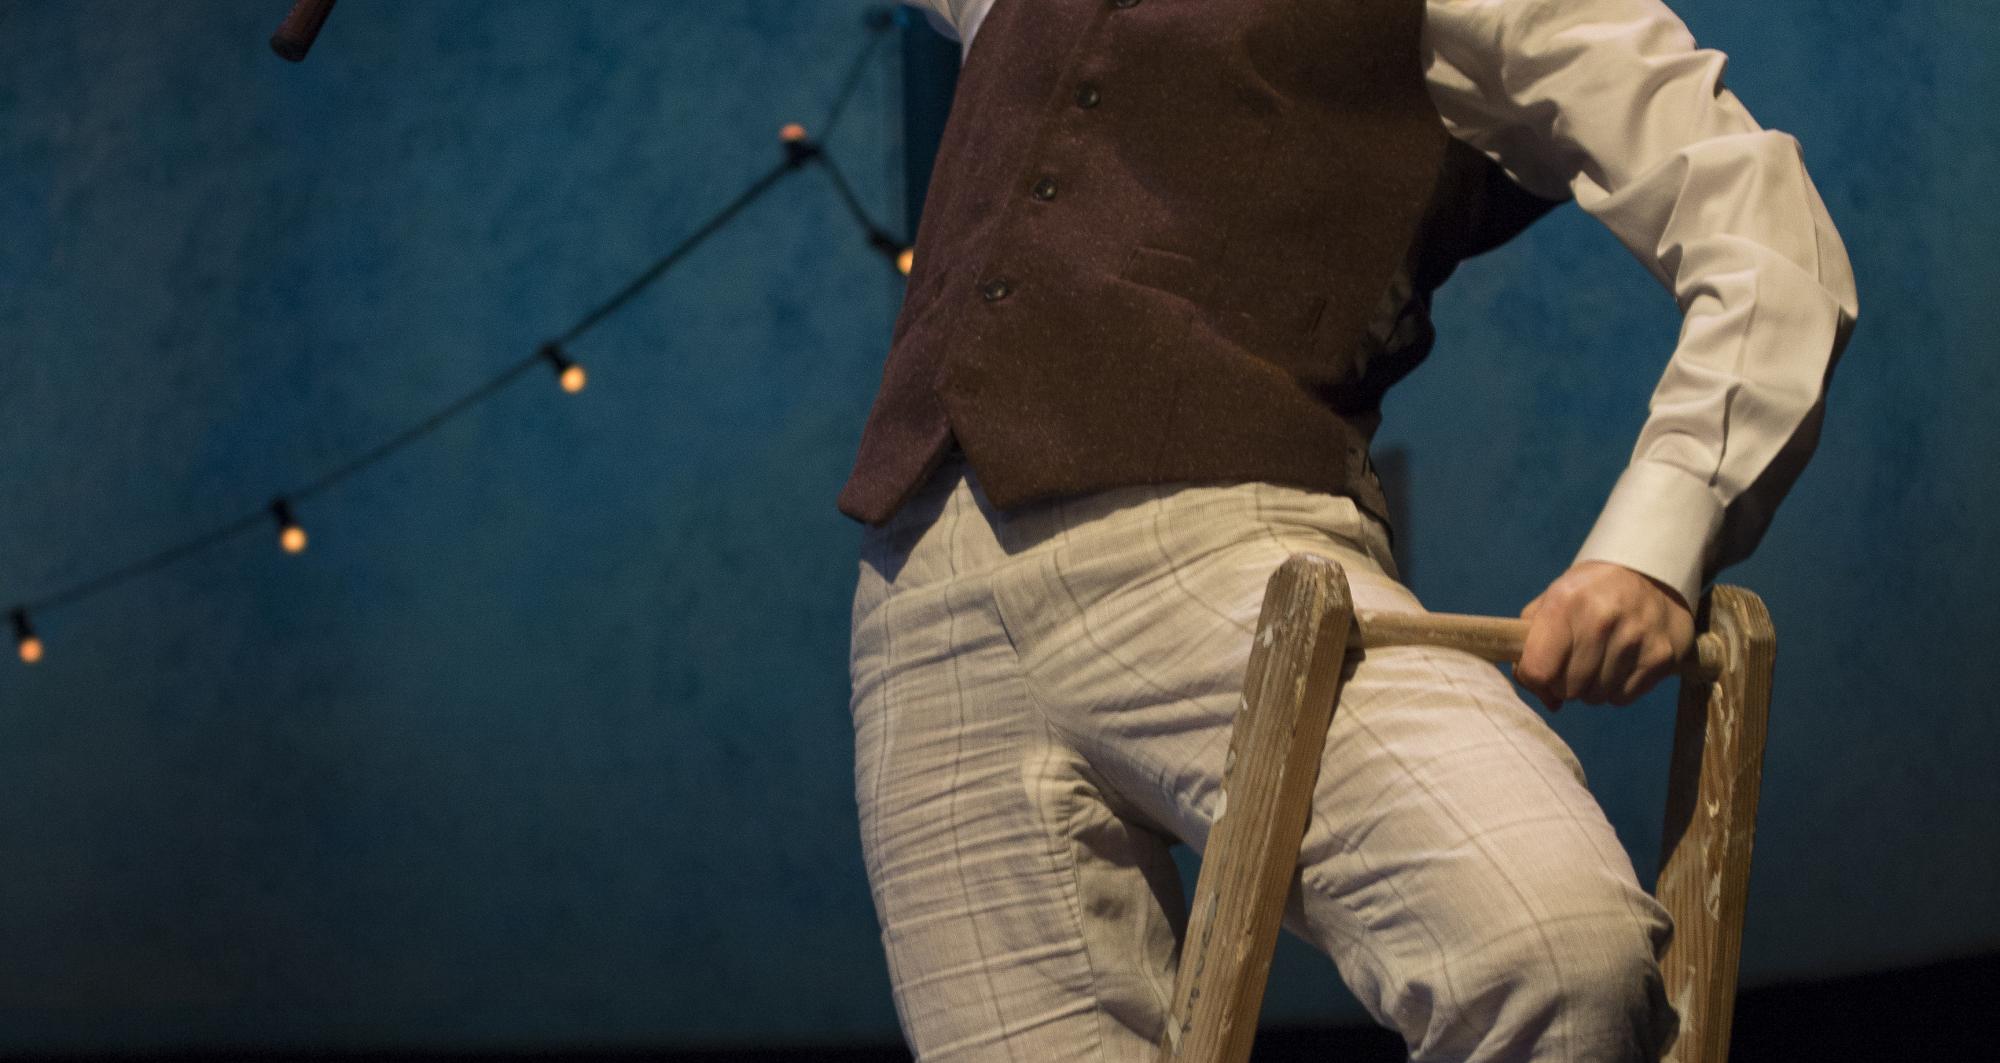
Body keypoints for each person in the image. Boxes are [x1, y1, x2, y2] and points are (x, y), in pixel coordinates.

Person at [840, 0, 1857, 1060]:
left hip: (1225, 554)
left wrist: (1653, 545)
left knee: (1555, 952)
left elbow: (1763, 229)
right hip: (923, 608)